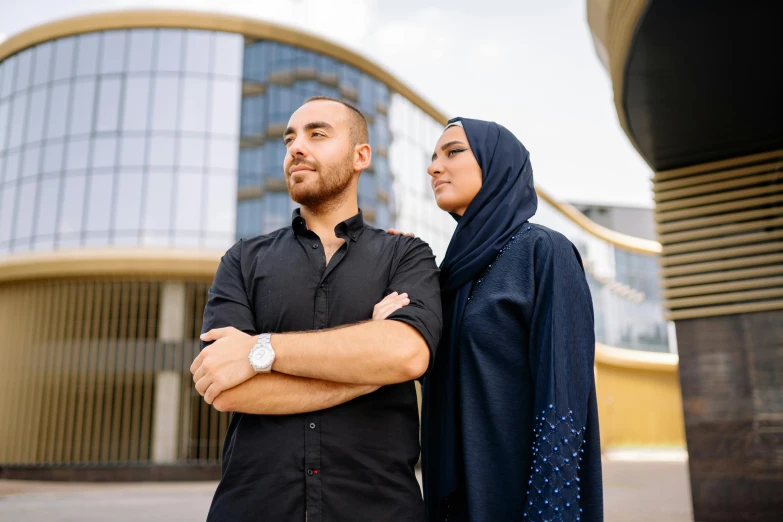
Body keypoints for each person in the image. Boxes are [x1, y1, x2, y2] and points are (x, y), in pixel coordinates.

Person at [190, 96, 442, 522]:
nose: (296, 148)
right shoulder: (243, 259)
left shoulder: (407, 254)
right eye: (290, 139)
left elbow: (406, 354)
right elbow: (226, 386)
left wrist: (260, 351)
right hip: (255, 508)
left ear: (362, 155)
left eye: (317, 134)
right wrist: (368, 365)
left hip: (378, 508)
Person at [385, 117, 603, 521]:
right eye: (432, 157)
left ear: (498, 164)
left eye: (453, 152)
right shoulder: (449, 274)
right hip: (452, 501)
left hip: (516, 497)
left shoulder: (544, 252)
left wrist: (549, 511)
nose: (434, 167)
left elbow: (564, 397)